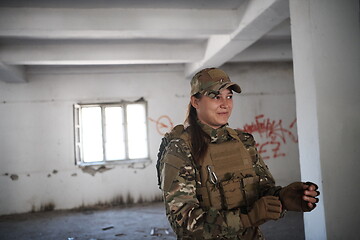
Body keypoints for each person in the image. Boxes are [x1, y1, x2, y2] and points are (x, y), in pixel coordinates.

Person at [156, 67, 320, 240]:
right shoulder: (181, 148)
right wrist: (246, 218)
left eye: (229, 96)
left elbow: (261, 191)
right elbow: (183, 223)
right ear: (195, 102)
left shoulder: (243, 141)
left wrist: (283, 198)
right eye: (215, 96)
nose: (225, 104)